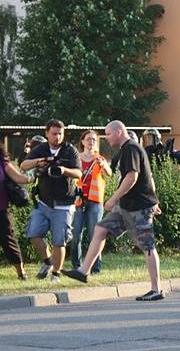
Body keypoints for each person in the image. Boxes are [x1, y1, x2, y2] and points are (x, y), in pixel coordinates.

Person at [62, 121, 164, 301]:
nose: (106, 138)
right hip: (126, 206)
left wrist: (113, 199)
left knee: (147, 245)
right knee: (100, 229)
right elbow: (147, 179)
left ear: (118, 132)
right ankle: (84, 271)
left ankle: (156, 289)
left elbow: (133, 177)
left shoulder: (131, 149)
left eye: (108, 134)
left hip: (139, 207)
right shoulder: (124, 151)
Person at [20, 120, 82, 282]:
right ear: (46, 133)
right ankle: (48, 261)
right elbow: (24, 165)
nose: (57, 137)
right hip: (44, 202)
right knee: (33, 234)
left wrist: (64, 170)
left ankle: (56, 274)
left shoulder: (70, 151)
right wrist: (38, 162)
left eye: (60, 133)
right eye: (54, 133)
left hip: (64, 203)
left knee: (59, 241)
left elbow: (78, 173)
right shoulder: (40, 149)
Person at [68, 130, 112, 274]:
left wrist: (104, 165)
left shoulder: (99, 158)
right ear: (82, 142)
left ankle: (95, 267)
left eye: (94, 139)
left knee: (95, 235)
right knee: (76, 235)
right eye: (88, 139)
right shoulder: (76, 158)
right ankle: (77, 266)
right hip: (78, 200)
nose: (91, 142)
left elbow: (109, 173)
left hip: (95, 200)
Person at [0, 146, 33, 280]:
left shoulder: (3, 164)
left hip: (1, 210)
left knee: (9, 241)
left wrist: (34, 176)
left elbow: (20, 178)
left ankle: (21, 272)